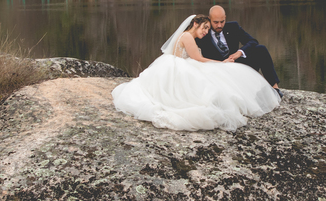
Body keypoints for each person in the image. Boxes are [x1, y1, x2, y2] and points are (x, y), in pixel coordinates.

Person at [111, 14, 279, 132]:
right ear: (195, 24)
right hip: (180, 66)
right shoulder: (187, 37)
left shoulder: (188, 37)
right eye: (204, 27)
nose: (206, 31)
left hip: (178, 64)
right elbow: (198, 58)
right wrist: (221, 63)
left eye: (208, 28)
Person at [197, 6, 282, 95]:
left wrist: (239, 52)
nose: (219, 25)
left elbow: (252, 41)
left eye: (222, 22)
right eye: (216, 22)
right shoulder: (203, 33)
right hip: (218, 70)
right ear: (209, 19)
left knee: (261, 49)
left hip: (237, 65)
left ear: (225, 18)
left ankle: (274, 87)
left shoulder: (233, 27)